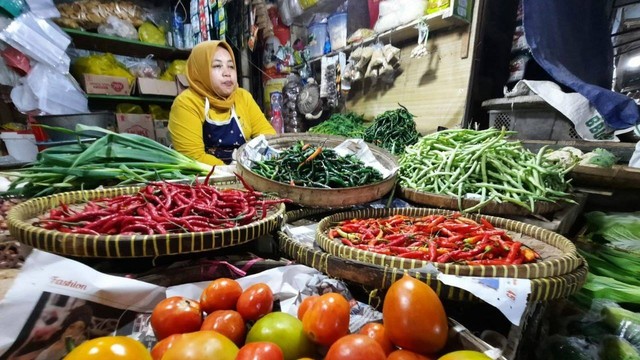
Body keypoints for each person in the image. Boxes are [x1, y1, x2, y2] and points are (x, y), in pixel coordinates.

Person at [169, 40, 276, 165]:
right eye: (217, 66)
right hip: (205, 180)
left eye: (231, 66)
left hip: (243, 176)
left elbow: (269, 138)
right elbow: (194, 158)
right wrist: (239, 171)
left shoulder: (242, 97)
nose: (227, 73)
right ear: (201, 70)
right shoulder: (186, 103)